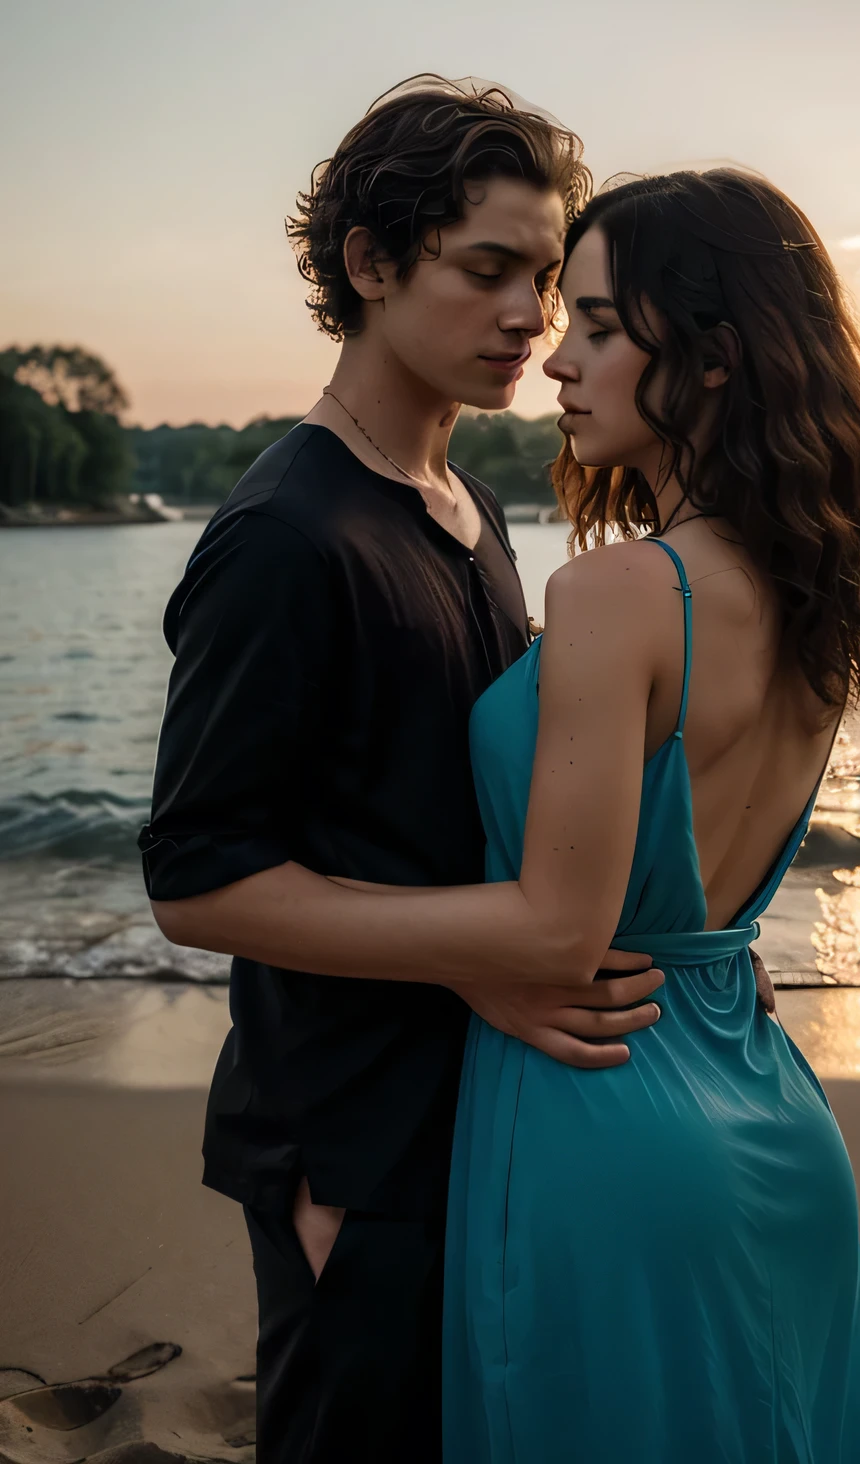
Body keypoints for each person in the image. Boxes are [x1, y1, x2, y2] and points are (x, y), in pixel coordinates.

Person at [269, 170, 860, 1457]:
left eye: (599, 327)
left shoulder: (624, 591)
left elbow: (558, 930)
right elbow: (696, 889)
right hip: (770, 1113)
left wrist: (344, 912)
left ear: (717, 359)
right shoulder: (813, 589)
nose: (553, 357)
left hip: (602, 1116)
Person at [138, 78, 667, 1464]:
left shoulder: (470, 506)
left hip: (476, 1121)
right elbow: (199, 880)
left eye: (549, 281)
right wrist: (479, 962)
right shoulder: (281, 537)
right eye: (486, 269)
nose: (530, 318)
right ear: (371, 264)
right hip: (349, 1149)